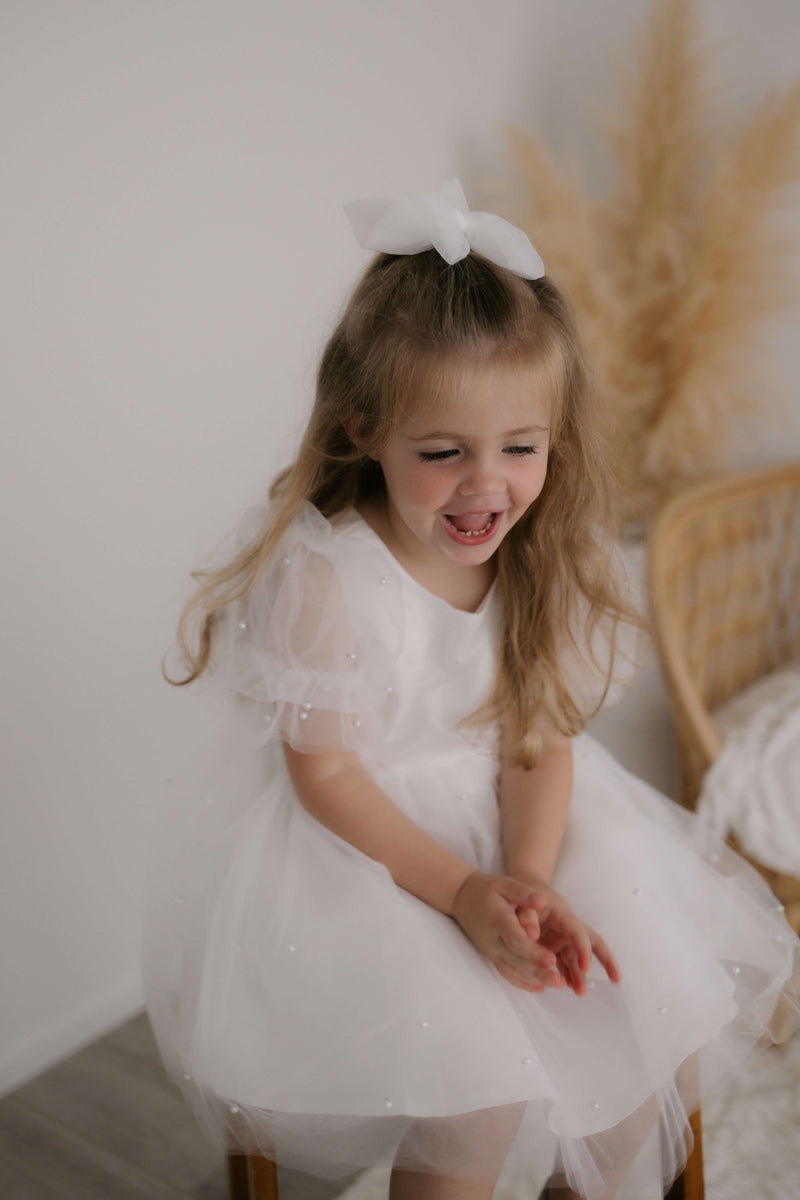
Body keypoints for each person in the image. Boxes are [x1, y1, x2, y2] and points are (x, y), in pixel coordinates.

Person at [143, 181, 799, 1200]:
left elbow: (537, 740)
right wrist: (462, 890)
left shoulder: (531, 556)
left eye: (519, 449)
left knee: (639, 1015)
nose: (484, 487)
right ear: (362, 428)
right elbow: (324, 772)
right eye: (441, 453)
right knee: (476, 1092)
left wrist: (529, 878)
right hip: (368, 849)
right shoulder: (328, 574)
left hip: (515, 816)